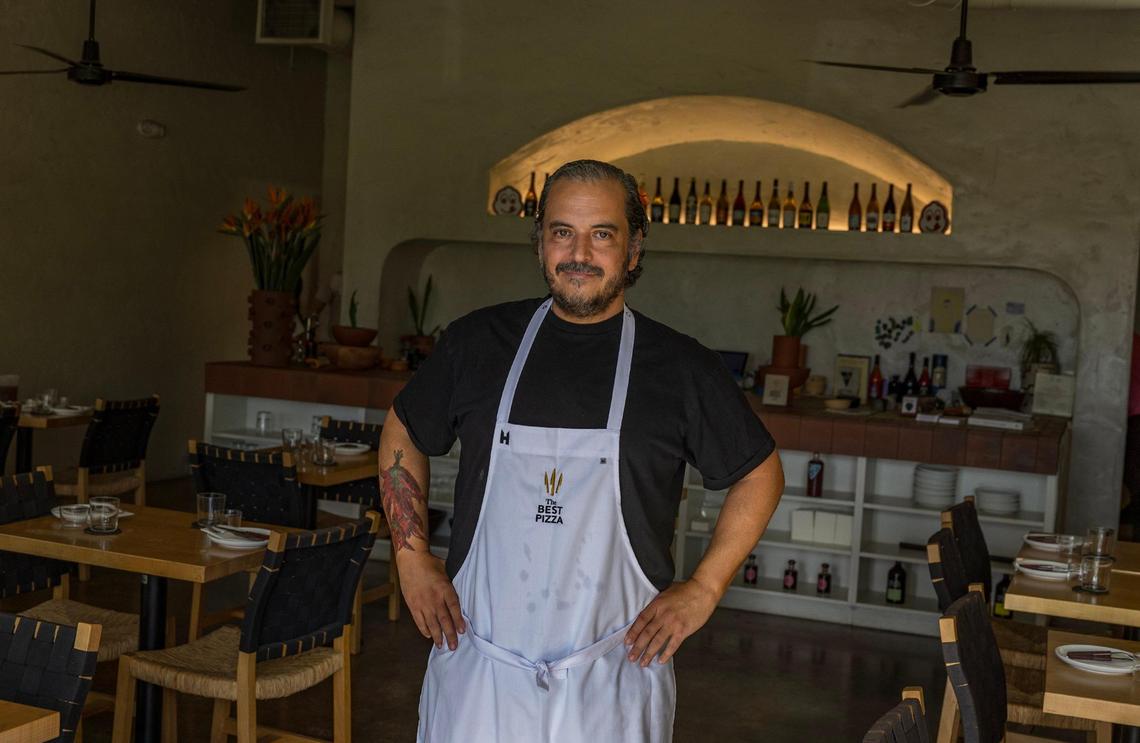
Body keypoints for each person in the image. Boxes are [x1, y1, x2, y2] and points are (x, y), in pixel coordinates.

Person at [380, 159, 785, 742]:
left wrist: (704, 588)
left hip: (614, 681)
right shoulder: (477, 343)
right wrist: (412, 560)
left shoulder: (679, 366)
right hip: (479, 671)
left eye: (602, 234)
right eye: (561, 231)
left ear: (634, 248)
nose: (579, 252)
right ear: (539, 240)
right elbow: (403, 430)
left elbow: (759, 473)